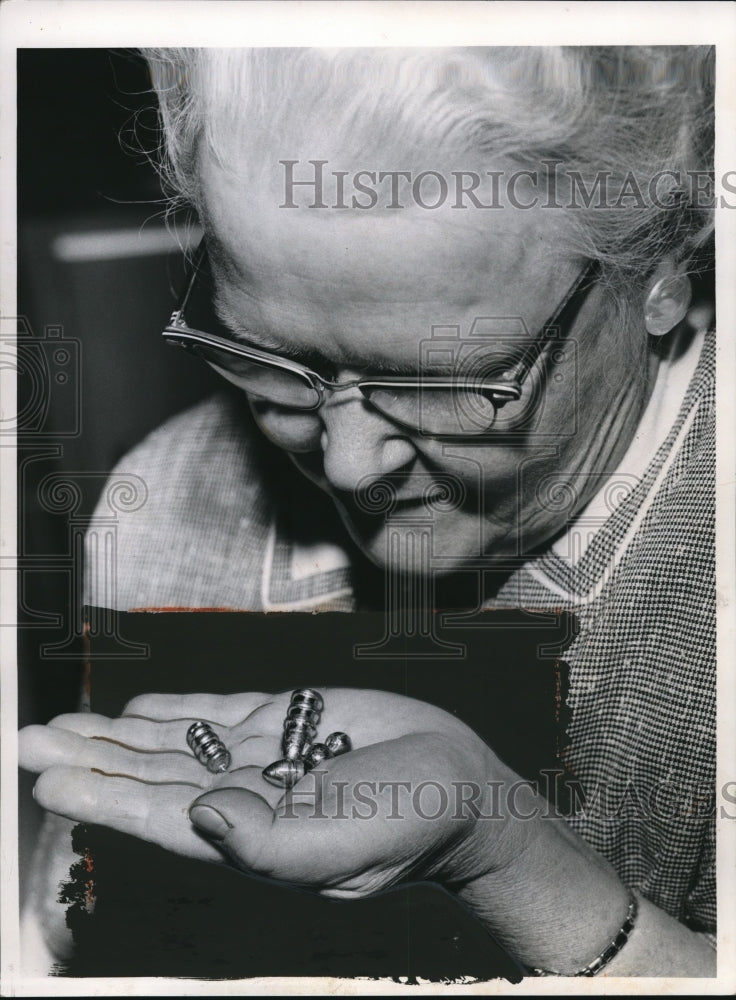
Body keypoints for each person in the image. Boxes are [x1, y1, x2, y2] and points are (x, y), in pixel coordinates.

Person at [19, 46, 717, 977]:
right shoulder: (168, 508)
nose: (349, 469)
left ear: (661, 269)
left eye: (443, 382)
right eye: (271, 360)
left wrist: (512, 864)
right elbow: (67, 936)